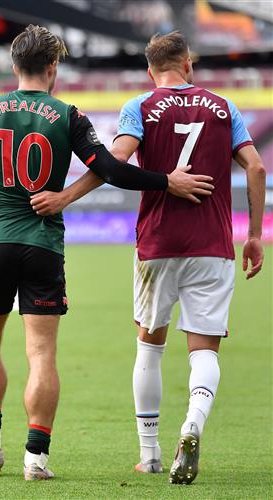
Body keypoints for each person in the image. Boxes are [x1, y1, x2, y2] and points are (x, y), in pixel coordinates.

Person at [0, 26, 214, 481]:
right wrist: (163, 180)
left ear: (14, 66)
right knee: (42, 353)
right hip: (43, 246)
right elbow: (111, 169)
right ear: (53, 68)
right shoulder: (67, 115)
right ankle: (37, 459)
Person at [30, 31, 266, 484]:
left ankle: (151, 454)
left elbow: (113, 162)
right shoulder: (224, 107)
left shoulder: (139, 106)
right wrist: (253, 235)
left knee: (149, 346)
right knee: (204, 348)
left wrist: (64, 196)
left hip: (157, 242)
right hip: (212, 243)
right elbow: (256, 166)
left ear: (149, 71)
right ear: (189, 65)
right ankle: (193, 423)